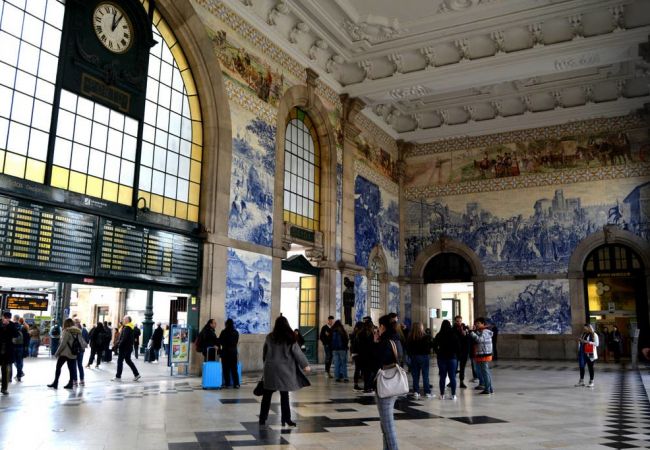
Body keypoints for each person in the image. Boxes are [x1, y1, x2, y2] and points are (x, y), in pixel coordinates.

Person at [258, 316, 311, 427]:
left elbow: (265, 353)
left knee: (267, 395)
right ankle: (286, 419)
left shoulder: (270, 337)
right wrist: (305, 365)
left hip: (271, 369)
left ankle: (262, 419)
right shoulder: (291, 337)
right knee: (284, 395)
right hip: (285, 371)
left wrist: (266, 364)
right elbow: (298, 353)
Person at [373, 314, 402, 450]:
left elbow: (376, 362)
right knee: (385, 425)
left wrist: (375, 344)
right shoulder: (397, 340)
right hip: (393, 383)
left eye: (379, 326)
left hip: (386, 385)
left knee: (388, 426)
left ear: (383, 327)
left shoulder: (385, 342)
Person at [47, 318, 86, 389]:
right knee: (71, 369)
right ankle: (70, 384)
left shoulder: (66, 331)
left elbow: (63, 343)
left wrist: (57, 353)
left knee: (58, 367)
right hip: (73, 353)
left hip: (64, 353)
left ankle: (55, 383)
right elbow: (81, 342)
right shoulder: (78, 331)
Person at [434, 320, 460, 400]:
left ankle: (442, 395)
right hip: (452, 358)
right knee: (452, 377)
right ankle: (453, 395)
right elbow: (458, 346)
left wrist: (438, 352)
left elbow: (434, 346)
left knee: (442, 377)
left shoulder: (439, 335)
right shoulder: (454, 335)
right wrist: (455, 354)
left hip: (441, 358)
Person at [407, 322, 433, 399]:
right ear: (421, 327)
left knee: (415, 375)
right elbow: (430, 346)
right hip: (424, 357)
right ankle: (427, 392)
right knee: (425, 375)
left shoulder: (410, 337)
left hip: (414, 357)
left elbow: (407, 348)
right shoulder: (426, 337)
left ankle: (416, 392)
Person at [112, 315, 141, 382]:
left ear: (127, 320)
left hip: (124, 347)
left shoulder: (127, 328)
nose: (123, 320)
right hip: (129, 347)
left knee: (120, 361)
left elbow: (123, 338)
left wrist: (118, 345)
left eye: (124, 319)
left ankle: (118, 377)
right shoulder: (130, 327)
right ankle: (136, 374)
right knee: (128, 361)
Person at [470, 317, 494, 395]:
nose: (476, 325)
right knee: (485, 372)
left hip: (484, 354)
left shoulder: (485, 331)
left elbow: (480, 340)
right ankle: (489, 388)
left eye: (478, 323)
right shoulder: (480, 331)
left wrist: (472, 333)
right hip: (481, 354)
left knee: (485, 372)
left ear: (483, 324)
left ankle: (488, 389)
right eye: (476, 323)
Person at [0, 312, 19, 394]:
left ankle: (4, 388)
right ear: (2, 317)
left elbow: (16, 335)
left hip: (7, 350)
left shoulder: (12, 325)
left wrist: (8, 325)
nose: (7, 319)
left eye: (8, 318)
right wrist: (2, 326)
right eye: (5, 317)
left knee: (5, 370)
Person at [575, 324, 599, 388]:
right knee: (581, 367)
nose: (585, 329)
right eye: (584, 328)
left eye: (586, 328)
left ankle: (591, 382)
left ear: (589, 328)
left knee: (590, 367)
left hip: (590, 353)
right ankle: (581, 381)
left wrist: (587, 342)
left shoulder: (594, 334)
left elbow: (597, 344)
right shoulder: (583, 334)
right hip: (582, 353)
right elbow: (581, 342)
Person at [218, 319, 240, 388]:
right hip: (233, 352)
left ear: (226, 324)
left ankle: (227, 384)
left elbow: (220, 341)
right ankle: (236, 384)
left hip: (225, 353)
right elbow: (236, 341)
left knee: (226, 369)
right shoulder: (236, 332)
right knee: (234, 369)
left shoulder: (224, 332)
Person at [453, 315, 470, 389]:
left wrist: (465, 335)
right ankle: (452, 381)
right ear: (455, 321)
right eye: (457, 321)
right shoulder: (452, 329)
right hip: (456, 351)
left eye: (460, 321)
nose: (459, 323)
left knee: (462, 367)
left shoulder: (465, 328)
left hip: (464, 351)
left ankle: (461, 382)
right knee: (454, 367)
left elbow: (468, 339)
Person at [73, 318, 88, 386]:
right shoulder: (84, 330)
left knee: (75, 365)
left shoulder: (73, 330)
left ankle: (75, 380)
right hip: (81, 349)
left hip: (74, 349)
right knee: (79, 365)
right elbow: (87, 339)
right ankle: (81, 380)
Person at [350, 321, 364, 391]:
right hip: (358, 353)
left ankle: (356, 384)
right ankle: (356, 385)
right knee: (358, 369)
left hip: (354, 353)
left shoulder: (354, 333)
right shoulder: (359, 334)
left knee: (357, 369)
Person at [11, 315, 24, 382]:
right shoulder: (23, 327)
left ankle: (10, 377)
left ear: (14, 318)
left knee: (12, 361)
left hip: (13, 346)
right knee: (20, 361)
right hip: (20, 346)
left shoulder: (11, 325)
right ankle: (19, 375)